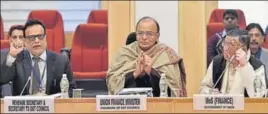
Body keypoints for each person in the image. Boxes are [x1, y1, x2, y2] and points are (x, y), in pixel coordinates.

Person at [106, 16, 187, 97]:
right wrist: (134, 74)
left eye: (149, 34)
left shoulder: (167, 55)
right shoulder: (123, 53)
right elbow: (112, 84)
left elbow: (174, 90)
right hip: (129, 104)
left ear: (157, 36)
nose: (144, 37)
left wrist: (151, 72)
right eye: (140, 33)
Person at [0, 19, 76, 96]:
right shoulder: (18, 59)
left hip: (52, 106)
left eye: (40, 36)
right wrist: (12, 56)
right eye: (31, 37)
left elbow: (71, 90)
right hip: (24, 106)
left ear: (45, 38)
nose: (36, 41)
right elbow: (3, 79)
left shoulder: (61, 61)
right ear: (25, 41)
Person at [200, 28, 267, 97]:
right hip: (220, 107)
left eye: (231, 45)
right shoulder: (217, 62)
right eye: (225, 43)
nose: (225, 48)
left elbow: (260, 97)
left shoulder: (257, 66)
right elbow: (204, 87)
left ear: (243, 49)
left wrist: (244, 67)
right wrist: (210, 93)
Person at [0, 25, 24, 97]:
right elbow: (2, 79)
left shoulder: (31, 55)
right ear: (10, 39)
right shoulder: (1, 55)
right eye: (14, 37)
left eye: (21, 37)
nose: (18, 40)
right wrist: (11, 56)